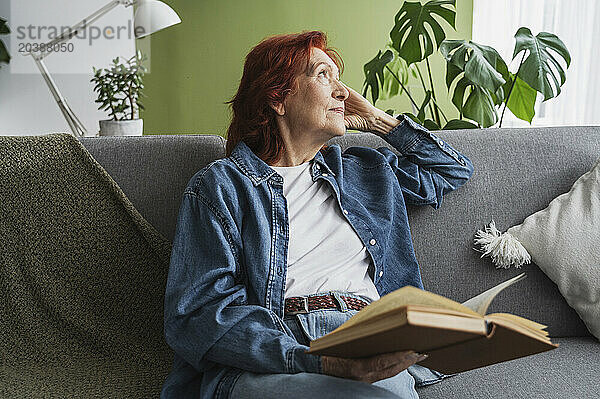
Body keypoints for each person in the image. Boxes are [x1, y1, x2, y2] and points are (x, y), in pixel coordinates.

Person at [161, 31, 474, 399]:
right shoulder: (223, 185)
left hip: (371, 333)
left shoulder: (366, 172)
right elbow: (197, 315)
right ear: (277, 97)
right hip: (281, 341)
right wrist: (318, 361)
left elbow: (452, 170)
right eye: (323, 75)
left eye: (339, 79)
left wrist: (377, 121)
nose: (343, 92)